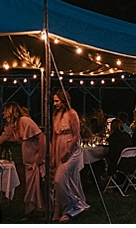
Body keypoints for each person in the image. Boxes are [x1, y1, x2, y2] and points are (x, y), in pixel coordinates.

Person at [0, 101, 46, 216]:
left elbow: (42, 137)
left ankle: (42, 210)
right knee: (30, 185)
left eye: (5, 110)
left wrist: (40, 157)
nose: (3, 113)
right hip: (28, 161)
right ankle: (33, 210)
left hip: (36, 158)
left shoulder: (25, 121)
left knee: (40, 185)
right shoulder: (12, 127)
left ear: (10, 111)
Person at [51, 89, 89, 222]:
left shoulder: (72, 114)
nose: (55, 104)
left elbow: (76, 134)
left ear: (63, 100)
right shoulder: (55, 116)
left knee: (59, 179)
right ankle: (61, 209)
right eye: (54, 101)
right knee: (66, 180)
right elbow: (55, 137)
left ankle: (73, 206)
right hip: (59, 148)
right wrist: (54, 155)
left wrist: (67, 151)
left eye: (57, 101)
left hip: (71, 149)